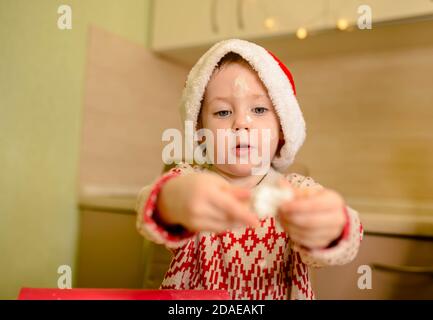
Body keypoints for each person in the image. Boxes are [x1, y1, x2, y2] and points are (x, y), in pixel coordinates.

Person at [135, 39, 363, 300]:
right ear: (199, 133)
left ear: (282, 131)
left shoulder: (297, 192)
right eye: (222, 112)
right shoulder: (190, 181)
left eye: (259, 109)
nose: (241, 122)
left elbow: (350, 237)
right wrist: (173, 199)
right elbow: (147, 207)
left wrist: (331, 225)